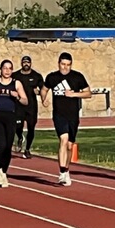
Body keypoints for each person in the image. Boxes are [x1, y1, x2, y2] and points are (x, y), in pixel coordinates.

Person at [40, 52, 92, 186]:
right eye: (63, 64)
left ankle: (66, 169)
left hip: (73, 115)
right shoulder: (52, 77)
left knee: (70, 145)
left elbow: (88, 93)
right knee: (63, 140)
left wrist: (74, 94)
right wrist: (43, 99)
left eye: (68, 65)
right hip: (59, 114)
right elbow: (44, 89)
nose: (65, 67)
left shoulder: (77, 77)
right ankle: (62, 172)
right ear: (59, 64)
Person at [0, 59, 29, 187]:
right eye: (5, 68)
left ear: (12, 70)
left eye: (10, 68)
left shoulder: (16, 84)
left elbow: (26, 101)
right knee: (1, 144)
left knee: (8, 147)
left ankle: (2, 171)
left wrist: (17, 97)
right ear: (0, 70)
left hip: (10, 116)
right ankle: (0, 170)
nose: (7, 70)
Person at [13, 54, 43, 159]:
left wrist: (39, 93)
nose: (26, 64)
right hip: (19, 106)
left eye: (28, 62)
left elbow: (43, 90)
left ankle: (27, 149)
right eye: (24, 62)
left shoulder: (36, 76)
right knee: (18, 126)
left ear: (30, 63)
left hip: (31, 107)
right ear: (21, 63)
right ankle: (20, 137)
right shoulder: (15, 76)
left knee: (31, 128)